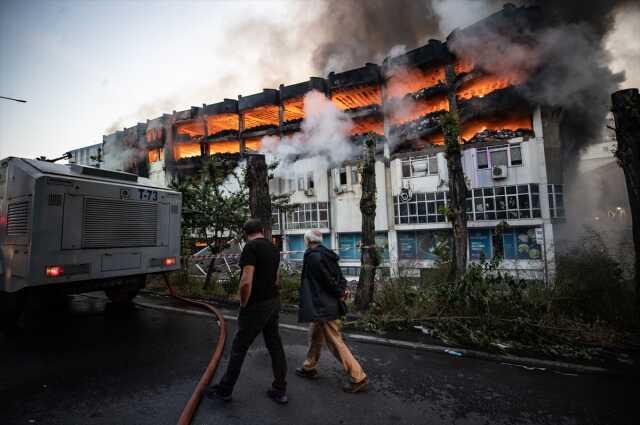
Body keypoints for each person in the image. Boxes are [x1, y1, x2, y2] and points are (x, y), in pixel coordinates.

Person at [206, 218, 288, 404]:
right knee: (275, 346)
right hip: (273, 301)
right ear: (261, 230)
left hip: (256, 305)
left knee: (239, 347)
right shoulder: (273, 247)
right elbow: (278, 278)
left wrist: (243, 303)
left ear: (246, 233)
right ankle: (280, 390)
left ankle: (225, 390)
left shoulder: (251, 248)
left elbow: (245, 281)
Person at [295, 229, 368, 393]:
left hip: (322, 305)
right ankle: (309, 367)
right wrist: (341, 292)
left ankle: (359, 377)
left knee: (335, 342)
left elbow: (326, 280)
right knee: (315, 336)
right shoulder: (327, 254)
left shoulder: (313, 257)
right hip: (326, 303)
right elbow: (339, 277)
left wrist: (339, 293)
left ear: (307, 240)